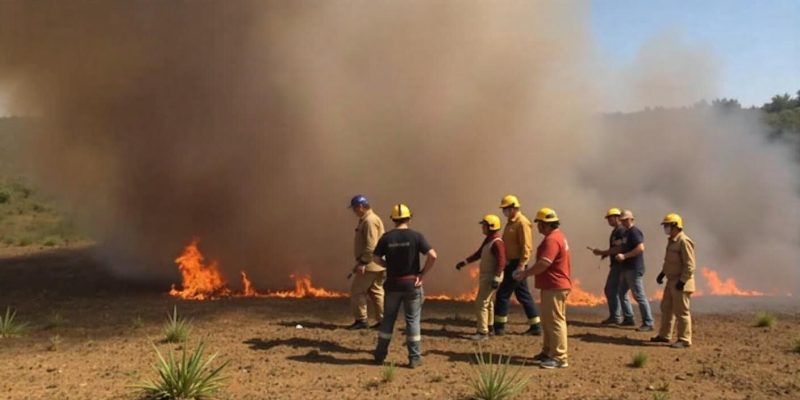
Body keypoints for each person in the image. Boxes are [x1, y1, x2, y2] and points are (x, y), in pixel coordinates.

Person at [373, 204, 437, 368]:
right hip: (412, 284)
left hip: (393, 284)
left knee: (388, 319)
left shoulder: (387, 238)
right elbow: (433, 256)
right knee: (412, 320)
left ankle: (380, 356)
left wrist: (388, 266)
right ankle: (414, 358)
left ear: (393, 219)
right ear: (409, 218)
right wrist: (422, 274)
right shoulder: (416, 236)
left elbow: (375, 258)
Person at [514, 207, 572, 369]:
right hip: (552, 286)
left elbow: (544, 263)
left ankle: (560, 357)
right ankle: (548, 352)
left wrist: (526, 273)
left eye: (539, 223)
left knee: (555, 322)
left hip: (555, 286)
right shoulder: (557, 237)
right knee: (548, 321)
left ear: (546, 224)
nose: (538, 226)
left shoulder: (552, 240)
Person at [494, 195, 542, 336]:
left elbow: (526, 246)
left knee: (503, 294)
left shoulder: (522, 222)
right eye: (504, 209)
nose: (504, 211)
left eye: (506, 208)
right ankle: (535, 326)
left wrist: (521, 265)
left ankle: (499, 327)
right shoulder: (511, 222)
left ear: (514, 208)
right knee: (523, 295)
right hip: (511, 263)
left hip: (517, 264)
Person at [455, 214, 506, 341]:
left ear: (491, 227)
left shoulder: (497, 243)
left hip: (491, 277)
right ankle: (489, 327)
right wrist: (465, 262)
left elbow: (501, 261)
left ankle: (482, 332)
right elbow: (479, 253)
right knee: (488, 303)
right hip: (489, 276)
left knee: (480, 303)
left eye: (484, 225)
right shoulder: (490, 239)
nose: (482, 228)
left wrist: (496, 277)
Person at [651, 213, 696, 349]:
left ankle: (684, 339)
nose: (665, 227)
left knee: (681, 311)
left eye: (667, 225)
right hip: (671, 280)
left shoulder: (684, 241)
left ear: (675, 226)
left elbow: (690, 265)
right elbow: (670, 261)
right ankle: (665, 335)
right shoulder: (672, 241)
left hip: (681, 282)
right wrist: (662, 273)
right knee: (666, 308)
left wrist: (682, 281)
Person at [347, 195, 386, 330]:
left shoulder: (369, 221)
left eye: (355, 208)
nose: (354, 212)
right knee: (376, 291)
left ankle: (361, 320)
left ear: (361, 207)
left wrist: (363, 263)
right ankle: (383, 321)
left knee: (357, 291)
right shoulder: (369, 219)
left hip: (370, 264)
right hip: (376, 264)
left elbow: (371, 246)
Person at [590, 208, 633, 325]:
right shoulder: (616, 231)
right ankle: (624, 317)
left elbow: (619, 248)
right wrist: (606, 254)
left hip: (619, 265)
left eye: (610, 218)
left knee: (611, 289)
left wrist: (603, 252)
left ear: (617, 217)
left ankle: (617, 316)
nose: (609, 220)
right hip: (617, 264)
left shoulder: (620, 231)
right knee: (618, 291)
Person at [614, 210, 654, 331]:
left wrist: (625, 256)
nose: (624, 222)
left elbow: (640, 248)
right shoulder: (626, 233)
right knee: (621, 293)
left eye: (626, 219)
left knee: (639, 296)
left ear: (631, 219)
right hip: (627, 268)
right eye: (622, 220)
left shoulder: (634, 232)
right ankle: (629, 318)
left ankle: (648, 322)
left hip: (634, 268)